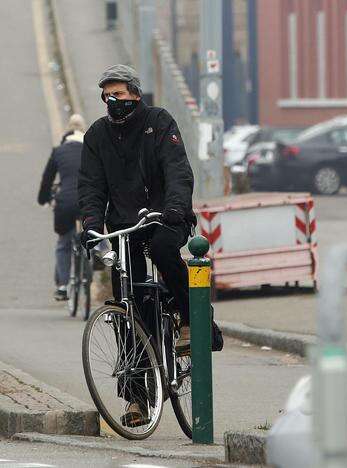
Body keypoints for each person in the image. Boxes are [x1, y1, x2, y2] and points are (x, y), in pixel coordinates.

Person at [78, 65, 196, 425]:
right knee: (127, 307)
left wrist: (175, 209)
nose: (113, 102)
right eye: (107, 96)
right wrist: (93, 226)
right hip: (123, 225)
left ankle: (190, 317)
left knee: (163, 250)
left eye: (119, 94)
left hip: (163, 217)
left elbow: (177, 169)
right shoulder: (96, 136)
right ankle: (136, 400)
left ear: (135, 94)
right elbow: (91, 186)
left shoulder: (159, 122)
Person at [38, 114, 87, 301]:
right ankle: (99, 249)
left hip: (65, 202)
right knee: (93, 230)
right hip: (86, 200)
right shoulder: (92, 149)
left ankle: (63, 286)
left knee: (63, 244)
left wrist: (43, 199)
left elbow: (47, 180)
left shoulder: (59, 151)